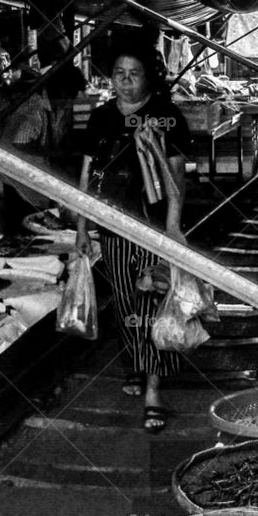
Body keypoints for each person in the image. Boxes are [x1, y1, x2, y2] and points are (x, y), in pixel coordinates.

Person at [74, 46, 191, 431]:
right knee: (127, 303)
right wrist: (81, 226)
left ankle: (154, 389)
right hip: (113, 228)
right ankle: (136, 365)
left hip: (153, 229)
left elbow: (176, 179)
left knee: (155, 303)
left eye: (134, 72)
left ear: (149, 78)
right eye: (119, 72)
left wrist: (173, 228)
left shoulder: (166, 117)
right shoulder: (102, 117)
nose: (125, 80)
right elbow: (88, 173)